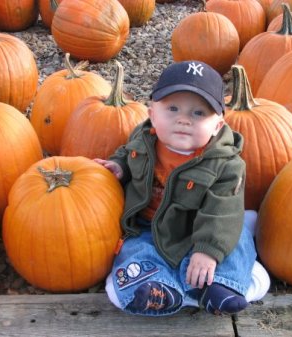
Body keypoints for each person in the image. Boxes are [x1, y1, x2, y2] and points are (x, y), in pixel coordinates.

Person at [94, 60, 270, 316]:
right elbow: (127, 153)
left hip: (200, 228)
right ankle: (160, 289)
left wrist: (208, 251)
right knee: (134, 251)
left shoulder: (226, 164)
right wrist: (119, 166)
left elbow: (222, 211)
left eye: (198, 113)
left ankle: (223, 286)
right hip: (149, 227)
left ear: (218, 125)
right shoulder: (143, 138)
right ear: (152, 113)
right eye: (173, 108)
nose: (184, 119)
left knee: (235, 239)